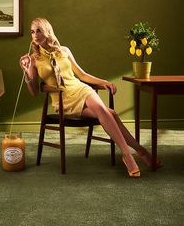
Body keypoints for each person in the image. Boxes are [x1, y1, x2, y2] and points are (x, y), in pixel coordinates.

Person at [20, 17, 161, 178]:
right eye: (32, 31)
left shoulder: (64, 50)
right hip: (63, 100)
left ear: (47, 31)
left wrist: (104, 82)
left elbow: (81, 74)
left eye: (38, 30)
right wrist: (26, 73)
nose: (35, 35)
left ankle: (127, 155)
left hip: (80, 89)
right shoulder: (32, 59)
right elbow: (34, 92)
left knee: (102, 109)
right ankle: (141, 151)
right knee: (111, 114)